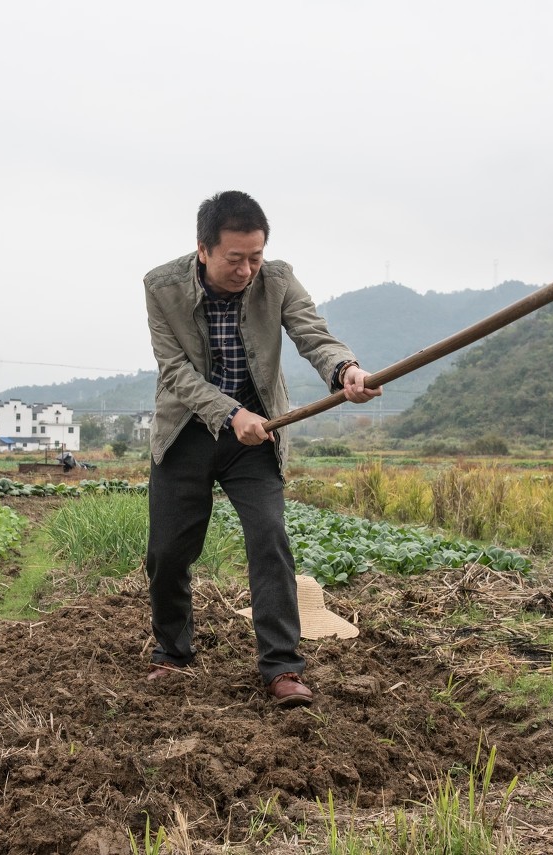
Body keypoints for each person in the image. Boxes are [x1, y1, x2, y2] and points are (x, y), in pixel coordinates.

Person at [143, 190, 380, 706]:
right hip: (186, 431)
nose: (247, 269)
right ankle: (172, 652)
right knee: (167, 551)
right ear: (203, 249)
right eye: (235, 259)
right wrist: (230, 414)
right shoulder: (160, 288)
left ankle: (281, 668)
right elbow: (176, 372)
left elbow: (313, 335)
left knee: (270, 537)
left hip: (258, 435)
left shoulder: (278, 279)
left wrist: (346, 370)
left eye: (256, 256)